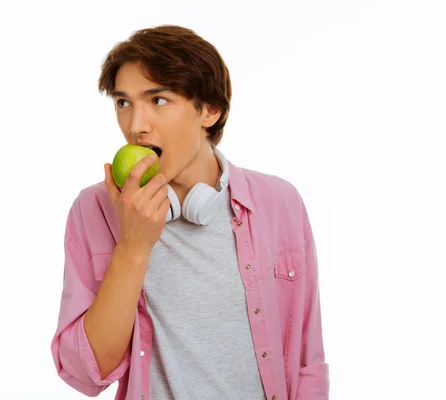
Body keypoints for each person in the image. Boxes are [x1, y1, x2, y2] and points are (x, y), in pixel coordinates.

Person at [51, 24, 329, 400]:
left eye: (158, 100)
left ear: (209, 111)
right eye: (123, 102)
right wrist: (133, 247)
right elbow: (85, 374)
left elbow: (306, 362)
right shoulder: (96, 209)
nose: (135, 126)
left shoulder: (280, 203)